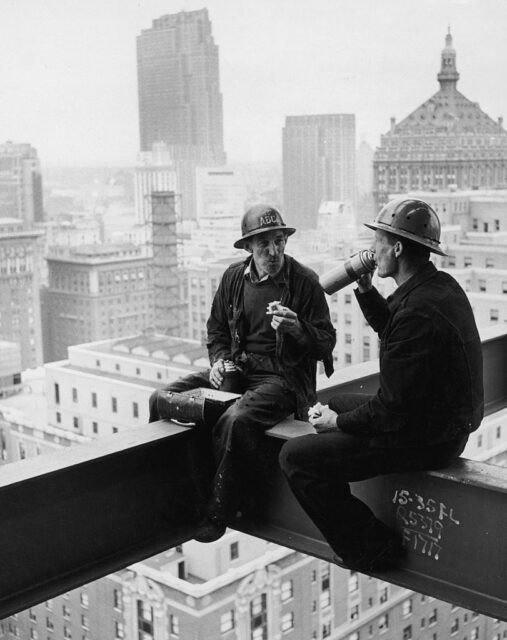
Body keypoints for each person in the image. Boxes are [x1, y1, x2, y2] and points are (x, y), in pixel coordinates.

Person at [279, 197, 484, 572]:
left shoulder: (417, 313)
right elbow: (395, 328)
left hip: (429, 439)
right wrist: (364, 289)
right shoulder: (437, 287)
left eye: (379, 242)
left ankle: (371, 549)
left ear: (398, 247)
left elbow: (390, 411)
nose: (372, 250)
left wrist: (335, 424)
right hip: (437, 421)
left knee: (297, 459)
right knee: (340, 400)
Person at [149, 204, 336, 542]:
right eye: (264, 243)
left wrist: (297, 329)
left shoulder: (305, 282)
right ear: (249, 247)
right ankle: (173, 495)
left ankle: (219, 511)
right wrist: (220, 362)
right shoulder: (234, 278)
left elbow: (326, 343)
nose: (273, 251)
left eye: (279, 241)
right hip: (239, 368)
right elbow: (217, 328)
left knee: (237, 420)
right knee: (164, 398)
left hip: (283, 379)